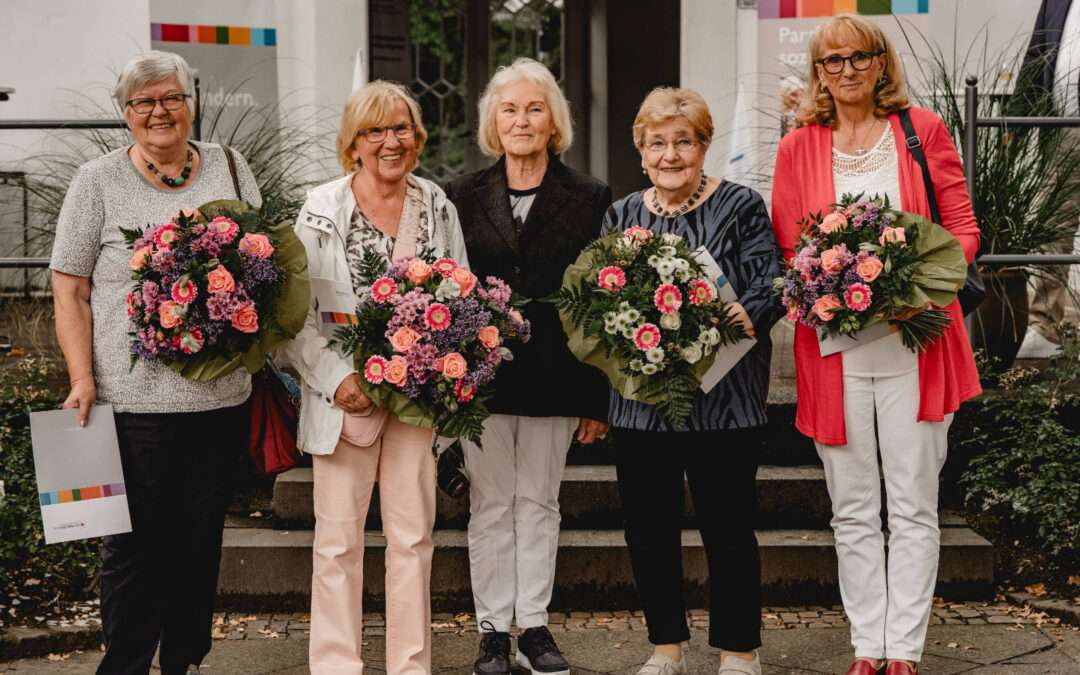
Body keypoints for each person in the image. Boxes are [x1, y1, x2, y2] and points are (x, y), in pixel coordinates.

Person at [771, 14, 982, 675]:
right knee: (854, 506)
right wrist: (822, 288)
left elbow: (964, 228)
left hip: (917, 344)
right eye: (832, 61)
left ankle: (904, 651)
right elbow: (788, 248)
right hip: (834, 352)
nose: (846, 71)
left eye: (859, 58)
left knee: (914, 502)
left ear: (881, 63)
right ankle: (867, 646)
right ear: (818, 73)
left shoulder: (922, 132)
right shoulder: (799, 145)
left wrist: (920, 287)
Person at [49, 51, 261, 675]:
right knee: (134, 548)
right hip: (130, 402)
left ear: (192, 103)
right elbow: (71, 288)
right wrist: (82, 379)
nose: (159, 112)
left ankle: (184, 662)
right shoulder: (97, 181)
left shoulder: (228, 164)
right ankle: (126, 665)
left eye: (171, 98)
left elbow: (262, 257)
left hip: (220, 397)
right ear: (126, 114)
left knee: (199, 543)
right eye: (144, 102)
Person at [278, 80, 467, 675]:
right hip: (345, 403)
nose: (391, 141)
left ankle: (410, 666)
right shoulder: (320, 208)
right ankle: (336, 666)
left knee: (412, 540)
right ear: (352, 143)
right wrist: (335, 379)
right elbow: (293, 315)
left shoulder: (436, 205)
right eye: (375, 131)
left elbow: (462, 299)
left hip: (414, 401)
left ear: (418, 137)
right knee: (337, 544)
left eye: (402, 128)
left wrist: (434, 367)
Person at [601, 86, 783, 675]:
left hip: (724, 398)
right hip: (641, 403)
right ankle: (665, 648)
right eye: (658, 143)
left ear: (704, 146)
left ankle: (738, 649)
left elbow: (768, 283)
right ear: (642, 150)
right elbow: (600, 296)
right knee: (648, 527)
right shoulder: (622, 214)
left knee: (727, 526)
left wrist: (736, 312)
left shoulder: (741, 205)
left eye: (683, 141)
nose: (671, 155)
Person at [443, 57, 611, 675]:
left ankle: (534, 627)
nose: (522, 119)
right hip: (484, 375)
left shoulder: (591, 196)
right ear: (493, 121)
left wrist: (597, 398)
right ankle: (492, 632)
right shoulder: (460, 194)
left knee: (539, 502)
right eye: (509, 109)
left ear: (554, 122)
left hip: (557, 373)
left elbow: (600, 299)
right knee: (489, 503)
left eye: (534, 108)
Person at [1014, 0, 1080, 357]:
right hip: (1062, 130)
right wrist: (1017, 118)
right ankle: (1046, 327)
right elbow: (1037, 52)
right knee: (1054, 230)